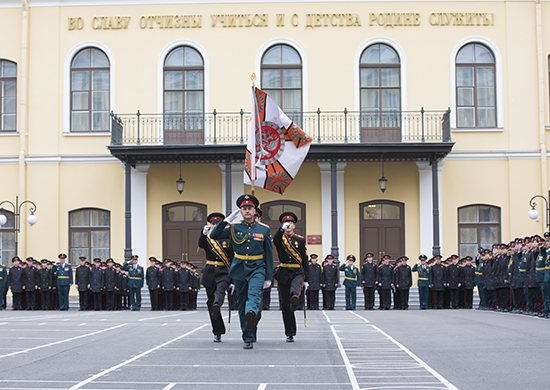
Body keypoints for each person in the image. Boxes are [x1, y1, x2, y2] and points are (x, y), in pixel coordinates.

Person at [209, 194, 273, 350]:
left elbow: (269, 254)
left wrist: (269, 276)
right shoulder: (234, 227)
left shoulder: (264, 229)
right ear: (241, 211)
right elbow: (213, 235)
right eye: (244, 209)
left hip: (257, 267)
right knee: (241, 303)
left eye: (250, 208)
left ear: (254, 210)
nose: (247, 211)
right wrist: (226, 220)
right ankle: (248, 336)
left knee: (253, 295)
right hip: (239, 267)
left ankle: (251, 313)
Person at [273, 211, 309, 342]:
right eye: (285, 223)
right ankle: (290, 332)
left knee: (295, 287)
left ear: (294, 226)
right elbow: (275, 241)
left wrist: (307, 279)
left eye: (290, 223)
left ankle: (295, 297)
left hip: (297, 271)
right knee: (285, 306)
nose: (288, 225)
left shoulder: (300, 239)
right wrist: (280, 230)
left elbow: (305, 259)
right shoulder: (280, 239)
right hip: (284, 272)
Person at [199, 212, 234, 342]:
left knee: (219, 294)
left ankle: (217, 303)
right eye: (212, 224)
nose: (214, 226)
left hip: (223, 271)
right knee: (210, 302)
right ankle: (217, 330)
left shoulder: (227, 238)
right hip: (209, 272)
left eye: (217, 223)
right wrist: (203, 234)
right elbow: (201, 245)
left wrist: (233, 279)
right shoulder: (208, 239)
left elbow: (232, 257)